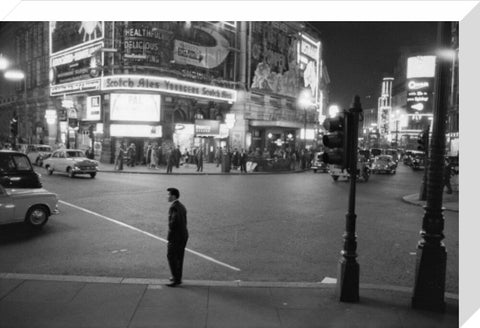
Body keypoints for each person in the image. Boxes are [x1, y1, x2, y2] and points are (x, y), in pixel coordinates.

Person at [165, 187, 188, 287]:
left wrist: (170, 231)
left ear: (173, 196)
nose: (167, 196)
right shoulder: (181, 206)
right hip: (183, 235)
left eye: (169, 195)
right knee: (179, 257)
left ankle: (176, 279)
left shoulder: (174, 207)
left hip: (176, 237)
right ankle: (177, 276)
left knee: (171, 256)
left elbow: (174, 222)